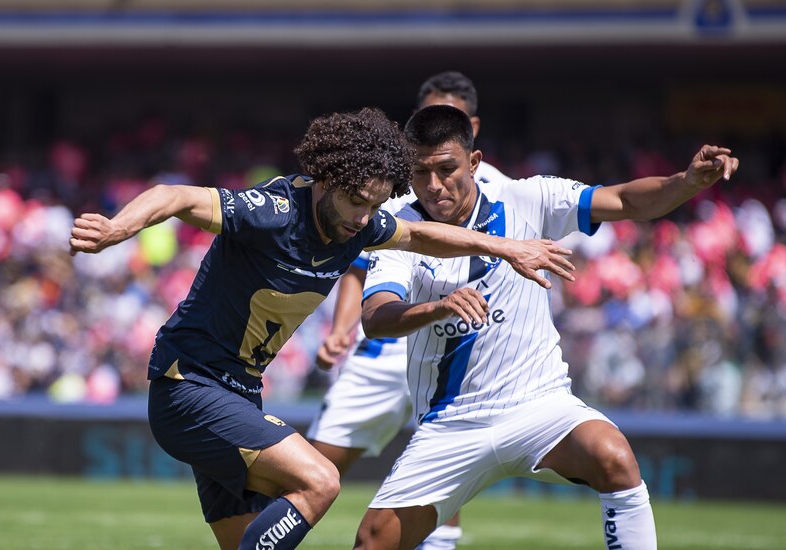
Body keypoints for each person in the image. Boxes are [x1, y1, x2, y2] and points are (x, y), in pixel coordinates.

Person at [67, 107, 574, 550]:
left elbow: (420, 234)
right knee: (320, 482)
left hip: (239, 395)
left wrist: (506, 247)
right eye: (356, 200)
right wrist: (117, 229)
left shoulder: (362, 223)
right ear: (327, 179)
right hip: (190, 388)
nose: (364, 217)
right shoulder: (273, 212)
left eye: (375, 204)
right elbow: (174, 194)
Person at [353, 105, 739, 550]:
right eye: (421, 172)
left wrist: (686, 182)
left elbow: (627, 201)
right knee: (373, 543)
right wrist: (438, 308)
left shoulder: (527, 198)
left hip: (537, 407)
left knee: (614, 458)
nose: (435, 185)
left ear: (474, 163)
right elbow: (376, 318)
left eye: (446, 169)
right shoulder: (398, 226)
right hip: (450, 424)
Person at [306, 71, 505, 550]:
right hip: (386, 345)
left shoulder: (502, 189)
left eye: (450, 120)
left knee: (440, 475)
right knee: (312, 472)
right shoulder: (394, 187)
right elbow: (359, 266)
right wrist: (341, 328)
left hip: (454, 344)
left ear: (472, 130)